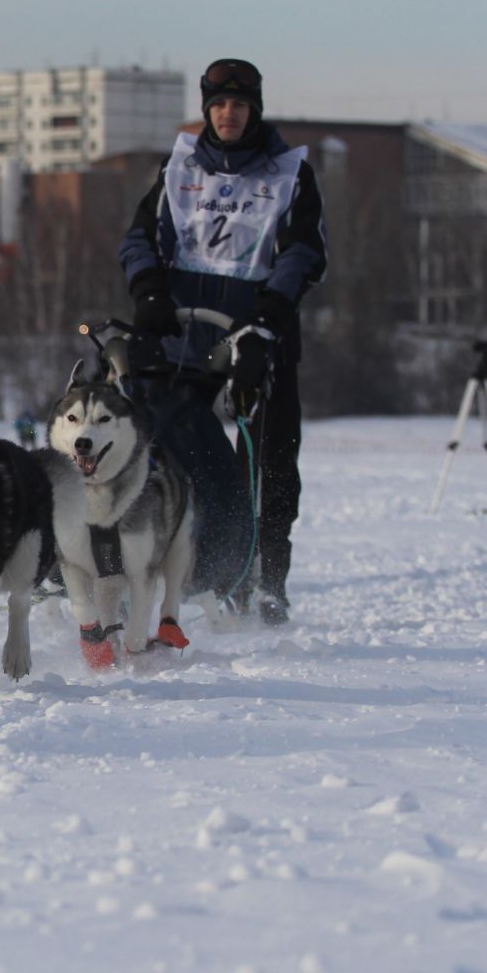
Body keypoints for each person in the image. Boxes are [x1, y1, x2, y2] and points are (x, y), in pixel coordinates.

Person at [119, 59, 327, 626]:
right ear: (207, 110)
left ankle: (265, 582)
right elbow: (140, 239)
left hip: (257, 337)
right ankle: (154, 571)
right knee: (158, 447)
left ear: (254, 109)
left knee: (270, 462)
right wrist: (150, 294)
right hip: (183, 334)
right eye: (218, 105)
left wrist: (267, 321)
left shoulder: (289, 173)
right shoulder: (179, 166)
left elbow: (304, 255)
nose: (228, 113)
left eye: (238, 104)